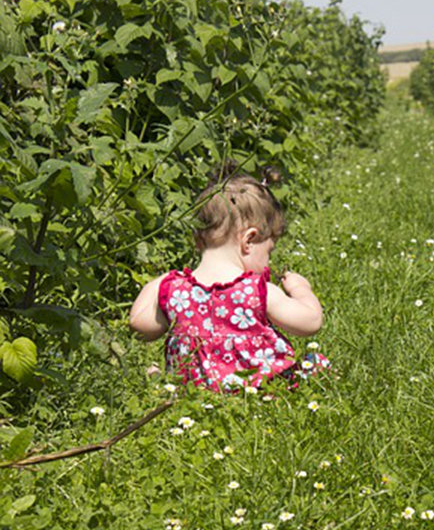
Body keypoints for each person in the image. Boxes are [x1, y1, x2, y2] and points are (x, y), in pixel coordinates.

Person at [128, 161, 330, 393]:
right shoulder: (255, 291)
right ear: (249, 240)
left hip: (196, 394)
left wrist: (158, 284)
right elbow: (310, 322)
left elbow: (139, 327)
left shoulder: (176, 292)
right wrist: (301, 289)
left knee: (165, 380)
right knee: (314, 364)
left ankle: (164, 382)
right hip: (259, 390)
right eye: (269, 251)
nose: (268, 261)